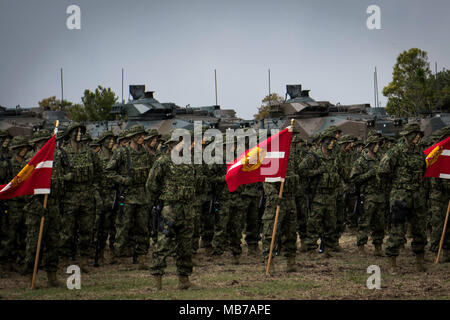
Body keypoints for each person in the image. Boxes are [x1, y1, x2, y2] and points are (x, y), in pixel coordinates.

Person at [147, 132, 197, 290]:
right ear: (171, 145)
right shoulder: (163, 161)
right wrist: (160, 201)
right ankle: (157, 282)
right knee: (163, 245)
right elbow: (151, 184)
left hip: (187, 210)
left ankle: (184, 280)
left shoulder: (189, 162)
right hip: (170, 209)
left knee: (185, 246)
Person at [378, 123, 428, 273]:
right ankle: (392, 263)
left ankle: (419, 261)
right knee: (397, 230)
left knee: (419, 229)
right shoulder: (396, 151)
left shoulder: (420, 152)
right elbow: (382, 171)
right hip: (401, 197)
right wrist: (395, 187)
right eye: (415, 134)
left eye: (419, 134)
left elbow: (423, 171)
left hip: (417, 197)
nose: (418, 137)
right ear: (408, 135)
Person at [57, 122, 103, 271]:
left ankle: (83, 261)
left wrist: (94, 188)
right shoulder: (62, 153)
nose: (79, 133)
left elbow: (99, 172)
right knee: (67, 232)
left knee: (86, 231)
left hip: (87, 197)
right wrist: (66, 178)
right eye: (75, 131)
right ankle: (63, 260)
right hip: (69, 197)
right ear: (70, 134)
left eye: (80, 131)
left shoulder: (89, 153)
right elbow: (56, 176)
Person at [105, 125, 153, 268]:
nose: (142, 138)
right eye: (140, 135)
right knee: (123, 227)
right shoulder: (122, 153)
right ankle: (120, 256)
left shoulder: (145, 153)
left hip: (143, 195)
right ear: (133, 137)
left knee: (143, 227)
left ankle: (142, 256)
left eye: (143, 135)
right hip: (127, 195)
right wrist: (123, 180)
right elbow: (109, 171)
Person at [349, 135, 385, 256]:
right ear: (369, 146)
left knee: (380, 222)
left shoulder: (381, 158)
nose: (377, 147)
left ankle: (378, 246)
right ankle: (361, 246)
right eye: (375, 144)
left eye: (378, 144)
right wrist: (369, 174)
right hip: (368, 196)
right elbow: (354, 178)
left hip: (380, 195)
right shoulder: (361, 160)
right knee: (365, 222)